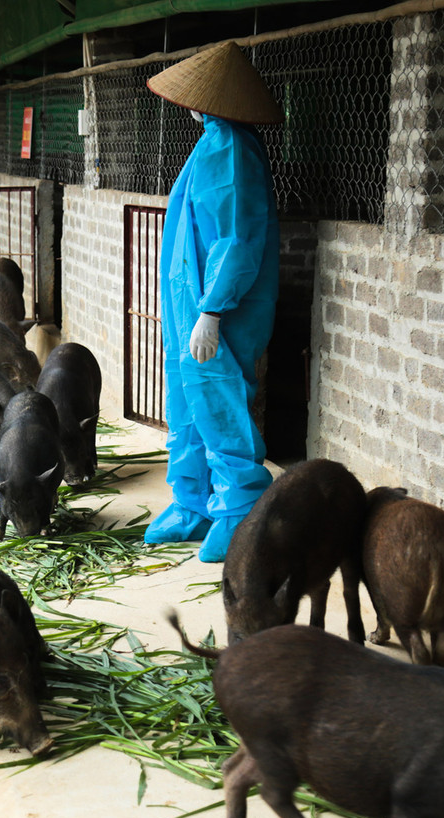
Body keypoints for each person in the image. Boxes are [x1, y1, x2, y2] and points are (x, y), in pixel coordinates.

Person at [142, 41, 283, 563]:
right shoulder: (212, 140)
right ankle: (192, 501)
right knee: (186, 400)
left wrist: (213, 309)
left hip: (219, 309)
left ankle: (239, 510)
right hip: (191, 304)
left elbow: (237, 238)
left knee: (220, 401)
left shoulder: (232, 149)